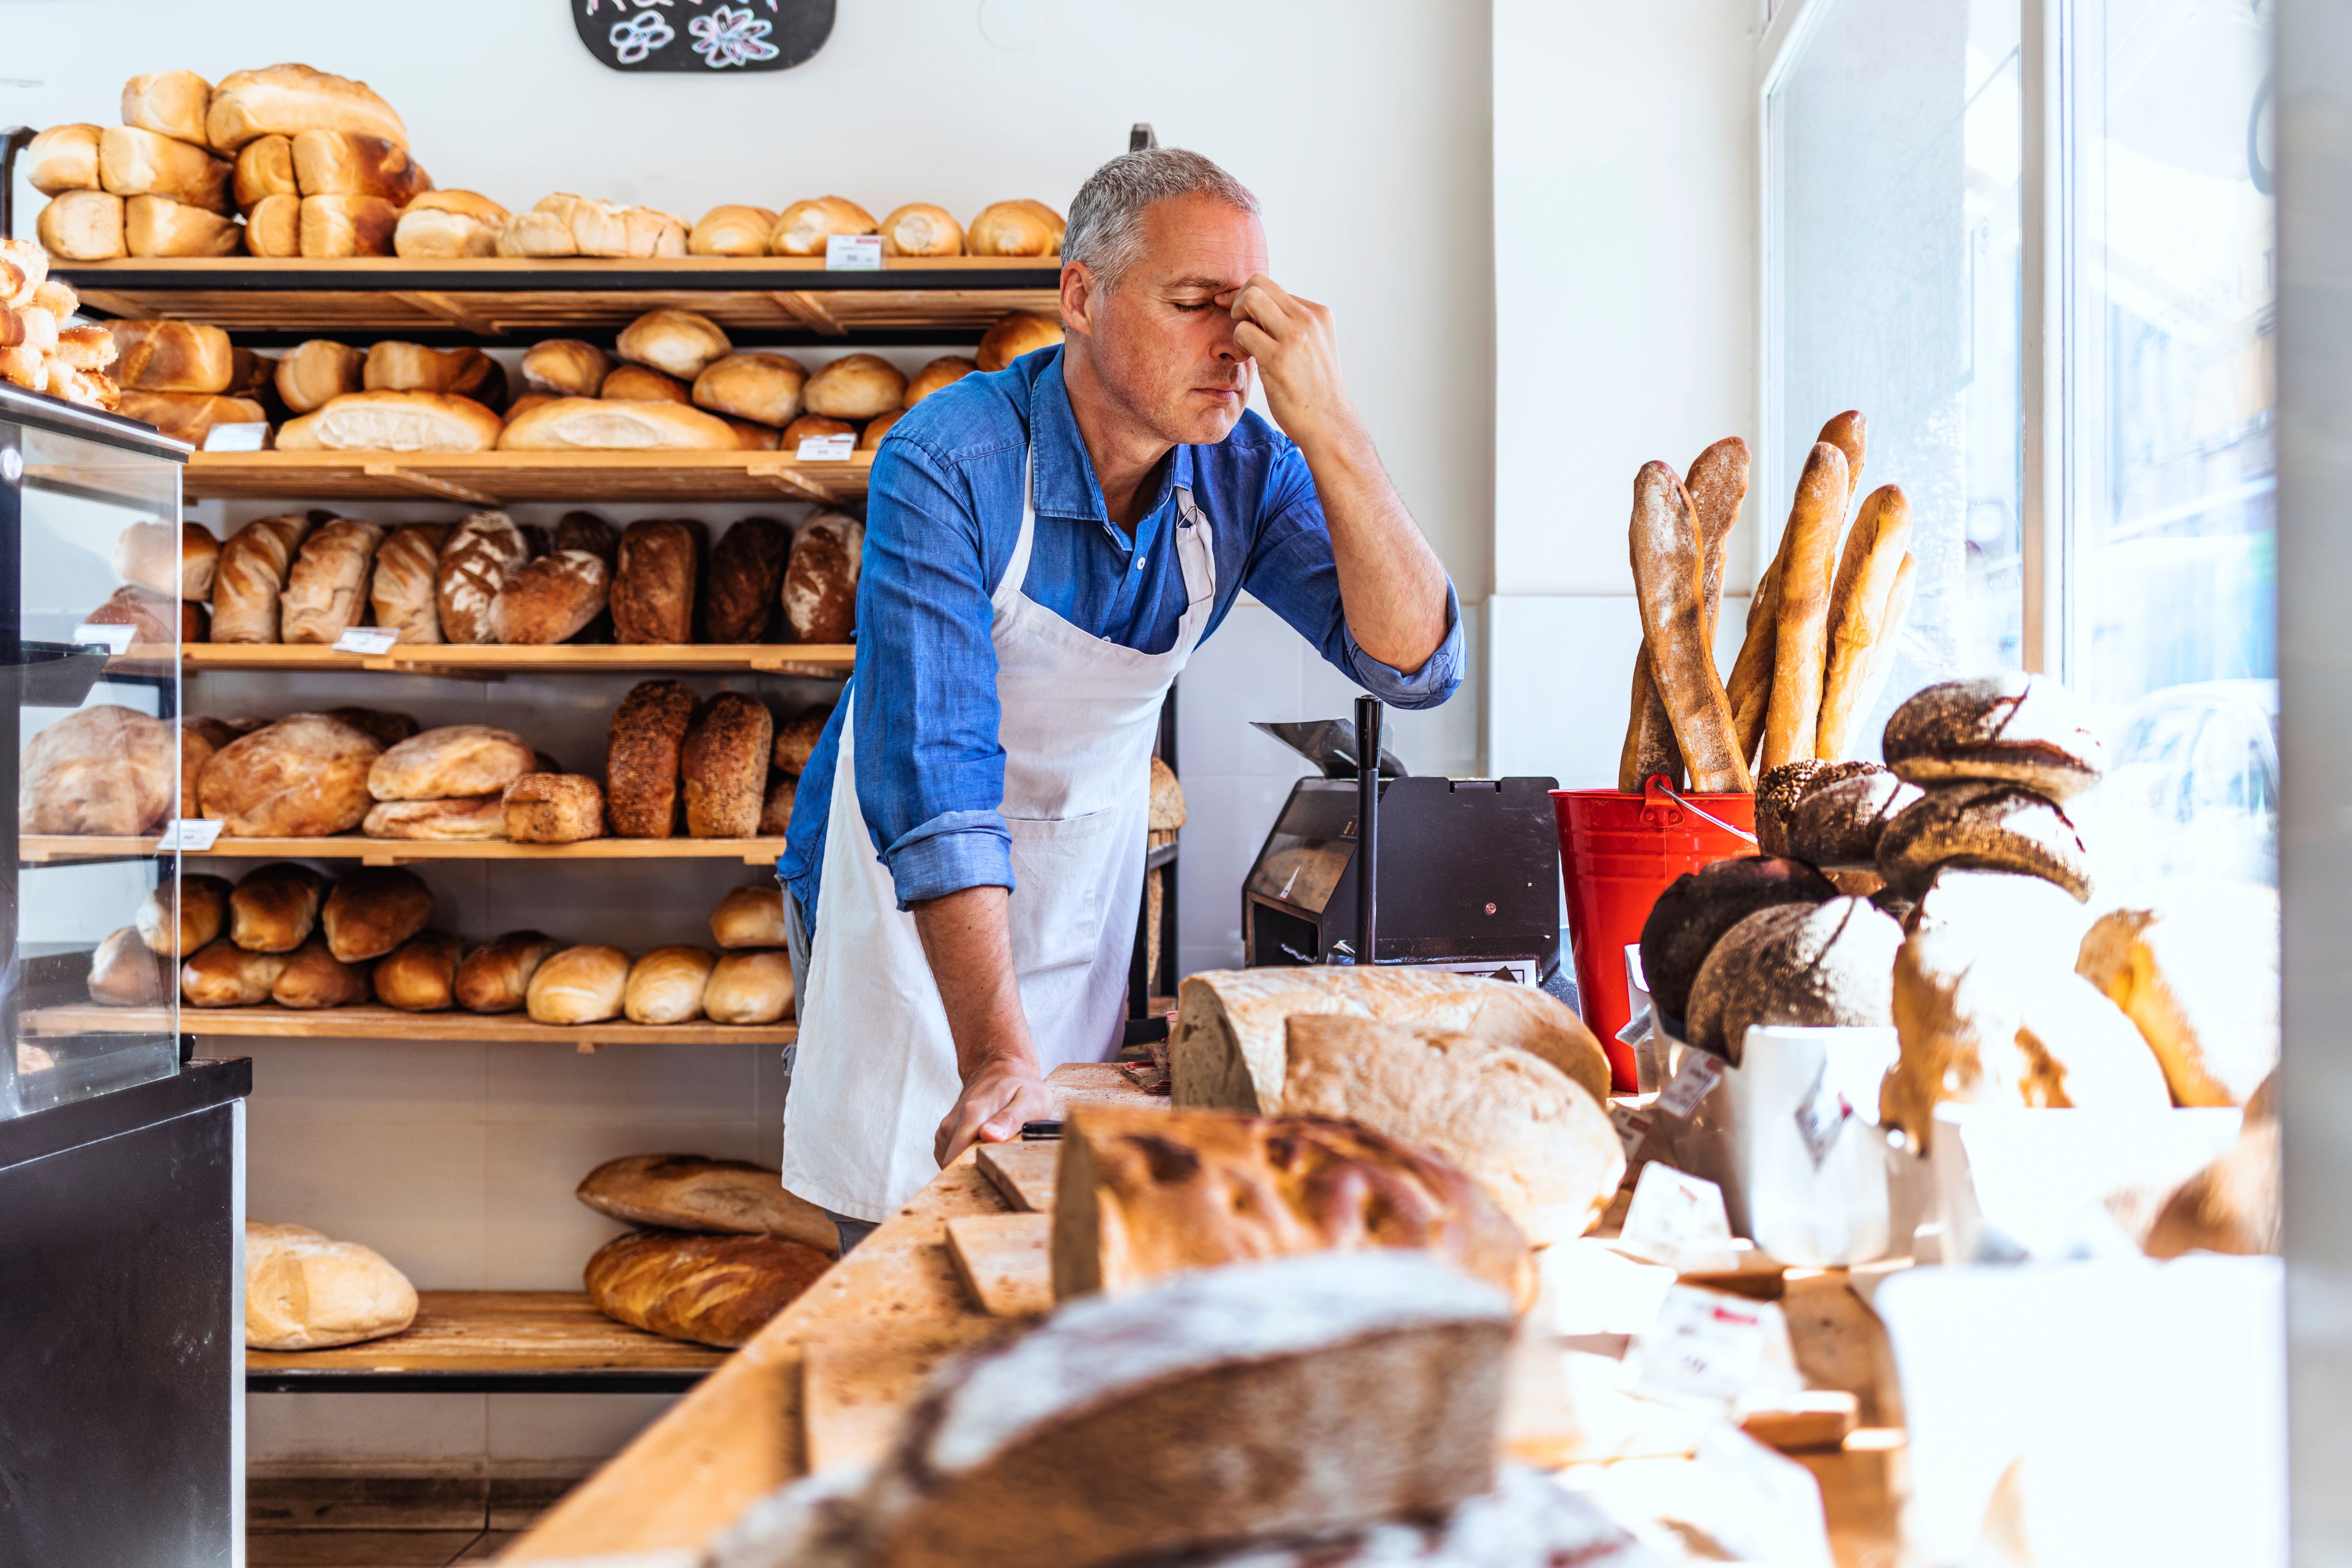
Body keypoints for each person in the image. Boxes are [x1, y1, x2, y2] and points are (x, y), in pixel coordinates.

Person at [776, 148, 1463, 1252]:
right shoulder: (948, 461)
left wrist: (1330, 424)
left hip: (1075, 894)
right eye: (1197, 306)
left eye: (1249, 314)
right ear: (1082, 298)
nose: (1234, 348)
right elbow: (939, 776)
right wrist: (1000, 1053)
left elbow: (1416, 665)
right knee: (904, 1246)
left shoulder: (1245, 469)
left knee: (1055, 1250)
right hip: (907, 901)